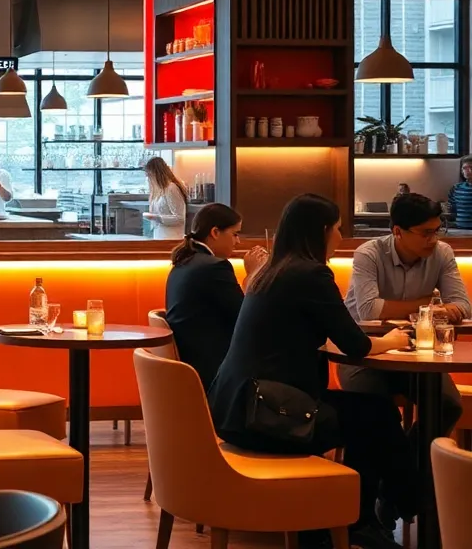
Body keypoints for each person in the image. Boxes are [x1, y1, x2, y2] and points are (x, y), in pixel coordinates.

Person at [207, 194, 415, 549]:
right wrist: (394, 338)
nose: (341, 237)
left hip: (235, 409)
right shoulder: (311, 274)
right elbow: (356, 345)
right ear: (320, 232)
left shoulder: (273, 271)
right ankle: (382, 510)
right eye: (337, 229)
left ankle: (376, 509)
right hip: (269, 417)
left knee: (369, 412)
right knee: (376, 415)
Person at [340, 192, 467, 438]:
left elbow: (463, 305)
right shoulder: (369, 254)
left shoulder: (442, 253)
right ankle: (394, 471)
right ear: (398, 231)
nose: (433, 239)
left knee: (448, 405)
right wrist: (428, 304)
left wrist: (444, 309)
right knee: (379, 413)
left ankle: (410, 467)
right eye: (425, 233)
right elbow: (369, 310)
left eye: (437, 230)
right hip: (366, 352)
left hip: (416, 353)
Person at [163, 203, 267, 390]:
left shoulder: (184, 261)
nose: (238, 242)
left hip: (192, 364)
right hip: (214, 372)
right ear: (215, 232)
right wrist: (253, 275)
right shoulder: (214, 267)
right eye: (235, 234)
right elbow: (245, 320)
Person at [142, 157, 187, 240]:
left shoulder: (172, 188)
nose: (148, 179)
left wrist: (157, 218)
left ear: (156, 174)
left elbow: (180, 218)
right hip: (160, 236)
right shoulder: (158, 191)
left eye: (149, 175)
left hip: (172, 238)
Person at [447, 155, 472, 230]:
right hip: (459, 228)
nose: (468, 170)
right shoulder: (456, 188)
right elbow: (453, 210)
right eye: (465, 168)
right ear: (461, 171)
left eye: (471, 167)